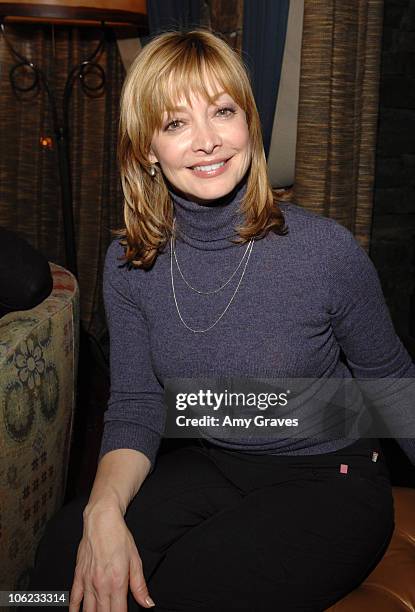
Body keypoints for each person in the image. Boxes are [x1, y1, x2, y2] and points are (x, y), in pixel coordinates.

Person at [28, 30, 415, 612]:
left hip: (328, 477)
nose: (207, 141)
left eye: (222, 111)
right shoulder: (130, 262)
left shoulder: (324, 252)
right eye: (176, 123)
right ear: (146, 149)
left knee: (178, 591)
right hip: (210, 460)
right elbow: (135, 403)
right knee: (56, 567)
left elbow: (393, 389)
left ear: (248, 125)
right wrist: (101, 510)